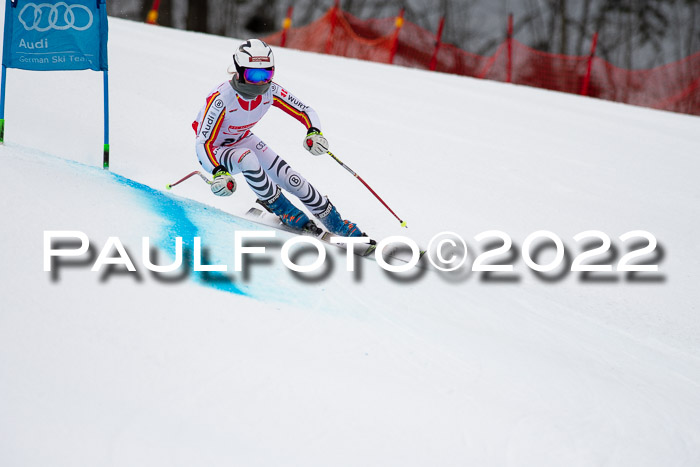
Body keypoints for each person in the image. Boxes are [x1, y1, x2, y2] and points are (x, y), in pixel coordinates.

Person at [192, 39, 363, 237]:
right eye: (254, 75)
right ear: (239, 70)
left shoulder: (270, 90)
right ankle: (283, 210)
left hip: (242, 139)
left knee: (292, 179)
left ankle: (337, 223)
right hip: (214, 153)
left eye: (267, 74)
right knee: (247, 158)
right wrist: (218, 172)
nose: (261, 82)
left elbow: (304, 110)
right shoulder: (222, 99)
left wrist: (314, 131)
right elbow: (202, 143)